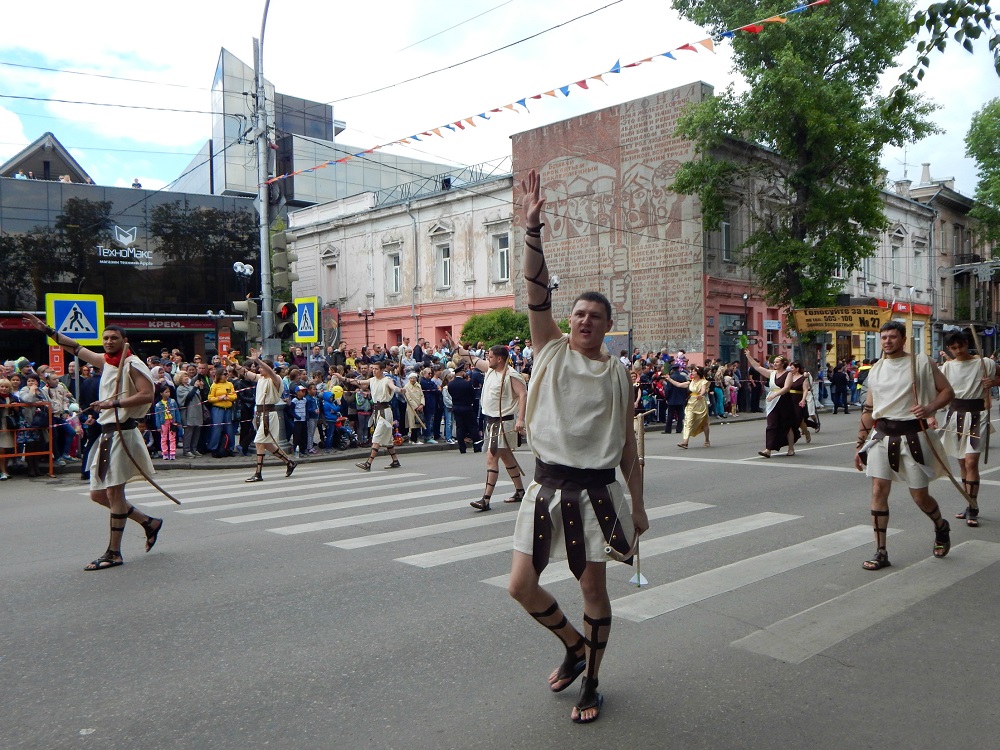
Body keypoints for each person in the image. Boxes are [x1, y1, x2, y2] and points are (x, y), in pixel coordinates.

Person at [504, 169, 648, 725]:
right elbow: (537, 294)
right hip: (546, 487)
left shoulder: (620, 375)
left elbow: (629, 451)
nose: (584, 320)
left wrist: (638, 506)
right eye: (578, 314)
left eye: (595, 316)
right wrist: (533, 229)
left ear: (608, 326)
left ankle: (592, 682)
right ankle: (572, 645)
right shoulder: (550, 352)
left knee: (593, 587)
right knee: (520, 585)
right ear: (569, 321)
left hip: (597, 492)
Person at [22, 314, 163, 570]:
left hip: (123, 433)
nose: (108, 342)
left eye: (114, 338)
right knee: (98, 494)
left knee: (114, 492)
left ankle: (113, 553)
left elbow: (147, 395)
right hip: (108, 434)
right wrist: (46, 330)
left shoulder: (132, 363)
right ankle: (148, 522)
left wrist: (113, 402)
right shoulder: (107, 362)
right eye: (106, 338)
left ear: (124, 340)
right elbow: (75, 348)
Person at [855, 321, 955, 570]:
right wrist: (859, 443)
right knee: (878, 490)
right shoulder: (876, 369)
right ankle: (881, 551)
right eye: (884, 337)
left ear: (903, 339)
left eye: (892, 337)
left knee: (919, 496)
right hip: (882, 435)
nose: (887, 341)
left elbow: (947, 391)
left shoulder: (921, 363)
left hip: (913, 436)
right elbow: (869, 409)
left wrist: (930, 407)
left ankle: (941, 526)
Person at [450, 342, 527, 511]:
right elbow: (473, 358)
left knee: (492, 458)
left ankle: (485, 499)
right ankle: (520, 491)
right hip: (491, 421)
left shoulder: (511, 375)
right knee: (506, 457)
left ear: (499, 359)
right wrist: (457, 348)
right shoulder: (491, 369)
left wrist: (521, 419)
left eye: (490, 356)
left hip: (503, 421)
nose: (487, 359)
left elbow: (523, 394)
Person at [939, 330, 998, 527]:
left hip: (977, 414)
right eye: (953, 348)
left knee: (972, 461)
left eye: (960, 346)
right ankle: (968, 503)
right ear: (949, 348)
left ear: (966, 343)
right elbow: (939, 390)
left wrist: (993, 382)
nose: (958, 351)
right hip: (954, 416)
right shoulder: (947, 367)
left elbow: (999, 377)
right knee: (963, 463)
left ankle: (973, 507)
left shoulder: (985, 363)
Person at [233, 350, 297, 482]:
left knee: (258, 442)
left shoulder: (276, 379)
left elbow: (271, 372)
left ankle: (258, 473)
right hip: (261, 414)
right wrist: (232, 363)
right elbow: (245, 373)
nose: (258, 369)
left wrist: (258, 360)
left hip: (270, 414)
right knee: (267, 444)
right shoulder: (261, 378)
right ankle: (289, 462)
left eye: (261, 367)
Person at [346, 361, 404, 471]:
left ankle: (368, 463)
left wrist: (400, 390)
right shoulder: (372, 380)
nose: (374, 371)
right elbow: (358, 381)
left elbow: (393, 387)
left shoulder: (387, 380)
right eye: (373, 369)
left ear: (382, 370)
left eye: (376, 369)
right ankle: (395, 460)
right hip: (377, 411)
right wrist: (343, 378)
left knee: (376, 437)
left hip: (385, 412)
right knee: (388, 440)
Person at [745, 351, 799, 458]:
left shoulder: (788, 374)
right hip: (772, 402)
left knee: (786, 425)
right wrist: (748, 356)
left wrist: (775, 395)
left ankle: (791, 448)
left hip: (784, 401)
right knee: (771, 424)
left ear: (783, 363)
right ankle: (768, 449)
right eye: (774, 362)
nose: (774, 364)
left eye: (777, 362)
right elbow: (757, 367)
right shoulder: (772, 373)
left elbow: (786, 387)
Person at [664, 366, 710, 449]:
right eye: (692, 371)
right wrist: (669, 379)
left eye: (694, 371)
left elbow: (703, 390)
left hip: (700, 404)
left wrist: (701, 394)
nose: (692, 372)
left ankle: (707, 440)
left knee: (704, 423)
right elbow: (679, 385)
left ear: (698, 373)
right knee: (688, 421)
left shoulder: (703, 382)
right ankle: (685, 442)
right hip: (691, 404)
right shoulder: (690, 382)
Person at [447, 365, 481, 453]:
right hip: (467, 406)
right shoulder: (467, 383)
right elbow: (473, 394)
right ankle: (477, 446)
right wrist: (470, 401)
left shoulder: (450, 384)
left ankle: (462, 447)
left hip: (456, 406)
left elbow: (451, 394)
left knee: (460, 427)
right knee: (473, 426)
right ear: (462, 372)